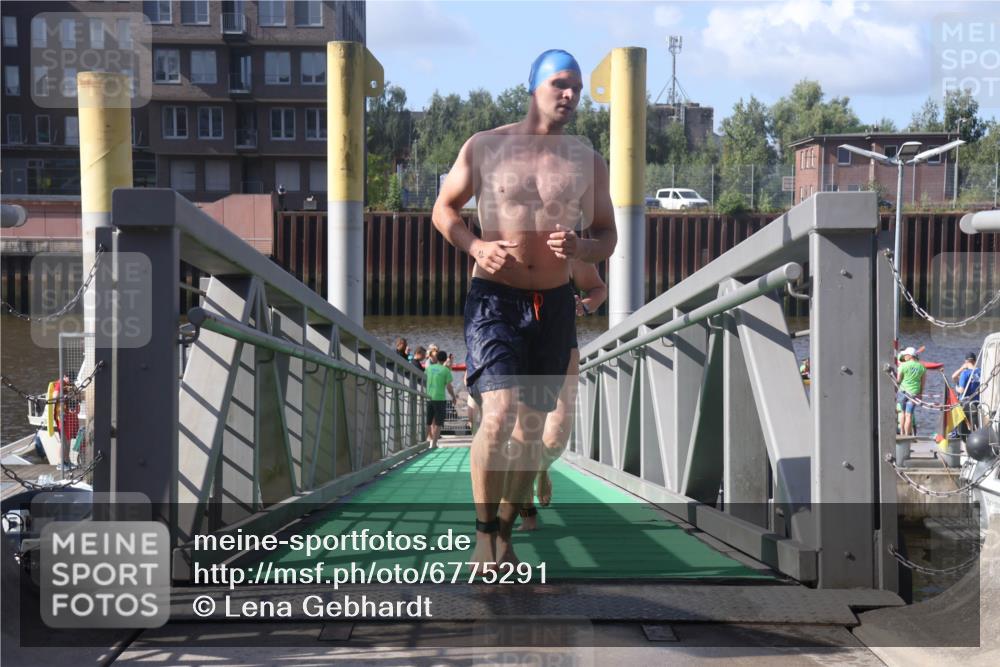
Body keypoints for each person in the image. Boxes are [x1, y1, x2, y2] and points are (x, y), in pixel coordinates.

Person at [432, 48, 616, 569]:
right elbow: (443, 210)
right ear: (533, 87)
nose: (570, 95)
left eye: (577, 88)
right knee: (500, 415)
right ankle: (482, 535)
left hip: (553, 303)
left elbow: (608, 234)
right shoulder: (487, 147)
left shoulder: (586, 160)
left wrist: (583, 249)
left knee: (533, 431)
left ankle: (506, 536)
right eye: (559, 84)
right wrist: (474, 246)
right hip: (495, 296)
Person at [518, 259, 607, 530]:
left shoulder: (568, 250)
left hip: (564, 349)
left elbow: (597, 288)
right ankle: (525, 511)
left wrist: (586, 305)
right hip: (516, 347)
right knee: (521, 437)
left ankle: (542, 468)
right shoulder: (507, 240)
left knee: (555, 439)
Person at [425, 350, 458, 449]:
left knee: (428, 421)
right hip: (439, 398)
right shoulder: (445, 370)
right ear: (445, 359)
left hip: (428, 397)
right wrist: (453, 396)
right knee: (439, 422)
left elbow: (423, 378)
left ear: (437, 358)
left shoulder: (429, 368)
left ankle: (424, 442)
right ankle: (434, 444)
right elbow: (449, 386)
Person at [896, 346, 925, 436]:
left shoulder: (903, 365)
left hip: (903, 392)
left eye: (905, 355)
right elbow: (922, 382)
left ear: (909, 356)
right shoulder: (921, 367)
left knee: (902, 413)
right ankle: (907, 435)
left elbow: (898, 380)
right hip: (914, 394)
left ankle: (901, 433)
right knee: (909, 415)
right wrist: (921, 393)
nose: (904, 357)